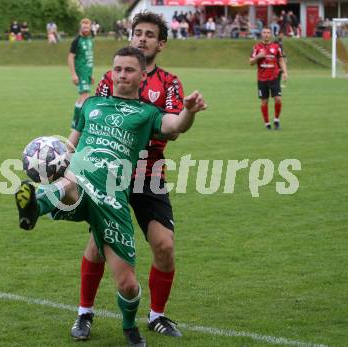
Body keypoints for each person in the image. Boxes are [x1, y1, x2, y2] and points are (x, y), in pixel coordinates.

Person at [15, 46, 207, 347]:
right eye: (117, 69)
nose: (121, 75)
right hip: (79, 179)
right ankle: (33, 208)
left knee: (128, 285)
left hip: (112, 198)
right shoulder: (90, 105)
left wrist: (188, 111)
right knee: (71, 183)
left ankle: (130, 327)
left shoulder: (147, 114)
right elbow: (70, 145)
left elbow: (174, 126)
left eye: (129, 70)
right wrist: (51, 160)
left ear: (142, 76)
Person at [71, 12, 187, 340]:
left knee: (164, 246)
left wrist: (183, 115)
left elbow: (173, 128)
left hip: (149, 174)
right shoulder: (111, 78)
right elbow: (93, 123)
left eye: (150, 34)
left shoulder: (170, 83)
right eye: (138, 32)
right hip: (109, 175)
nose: (142, 39)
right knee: (97, 243)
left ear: (161, 43)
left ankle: (157, 316)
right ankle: (84, 313)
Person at [250, 27, 288, 130]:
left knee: (278, 99)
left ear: (271, 34)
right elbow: (251, 62)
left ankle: (276, 120)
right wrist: (258, 56)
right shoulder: (256, 47)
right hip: (262, 79)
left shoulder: (276, 47)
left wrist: (285, 72)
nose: (266, 34)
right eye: (264, 32)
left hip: (274, 77)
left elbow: (280, 60)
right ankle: (267, 123)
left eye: (268, 32)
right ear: (261, 34)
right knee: (264, 102)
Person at [68, 18, 94, 130]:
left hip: (87, 73)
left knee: (83, 98)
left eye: (88, 27)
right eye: (84, 27)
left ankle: (75, 123)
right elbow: (70, 57)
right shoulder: (76, 41)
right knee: (85, 97)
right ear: (81, 27)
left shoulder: (89, 40)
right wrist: (73, 74)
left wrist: (90, 74)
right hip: (80, 72)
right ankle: (78, 125)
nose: (86, 29)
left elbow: (88, 59)